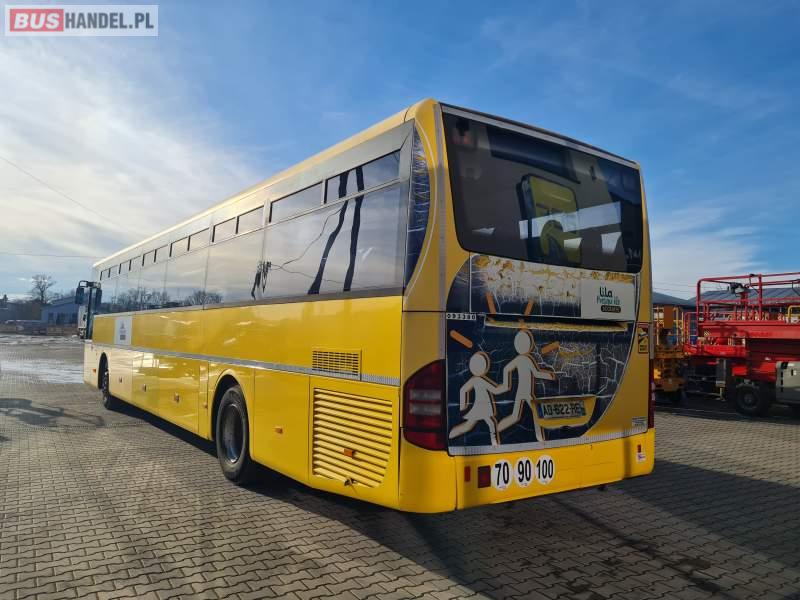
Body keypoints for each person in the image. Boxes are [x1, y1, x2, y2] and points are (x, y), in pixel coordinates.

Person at [496, 329, 557, 442]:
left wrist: (506, 383)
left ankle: (498, 429)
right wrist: (549, 376)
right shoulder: (527, 359)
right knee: (535, 415)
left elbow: (506, 369)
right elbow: (536, 373)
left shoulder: (519, 359)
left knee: (515, 416)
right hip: (527, 393)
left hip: (521, 392)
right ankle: (540, 438)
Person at [449, 351, 504, 447]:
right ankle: (451, 435)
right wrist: (463, 405)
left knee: (489, 423)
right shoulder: (477, 380)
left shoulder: (479, 380)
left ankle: (495, 443)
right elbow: (463, 390)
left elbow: (494, 389)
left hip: (483, 406)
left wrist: (463, 405)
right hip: (480, 406)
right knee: (470, 425)